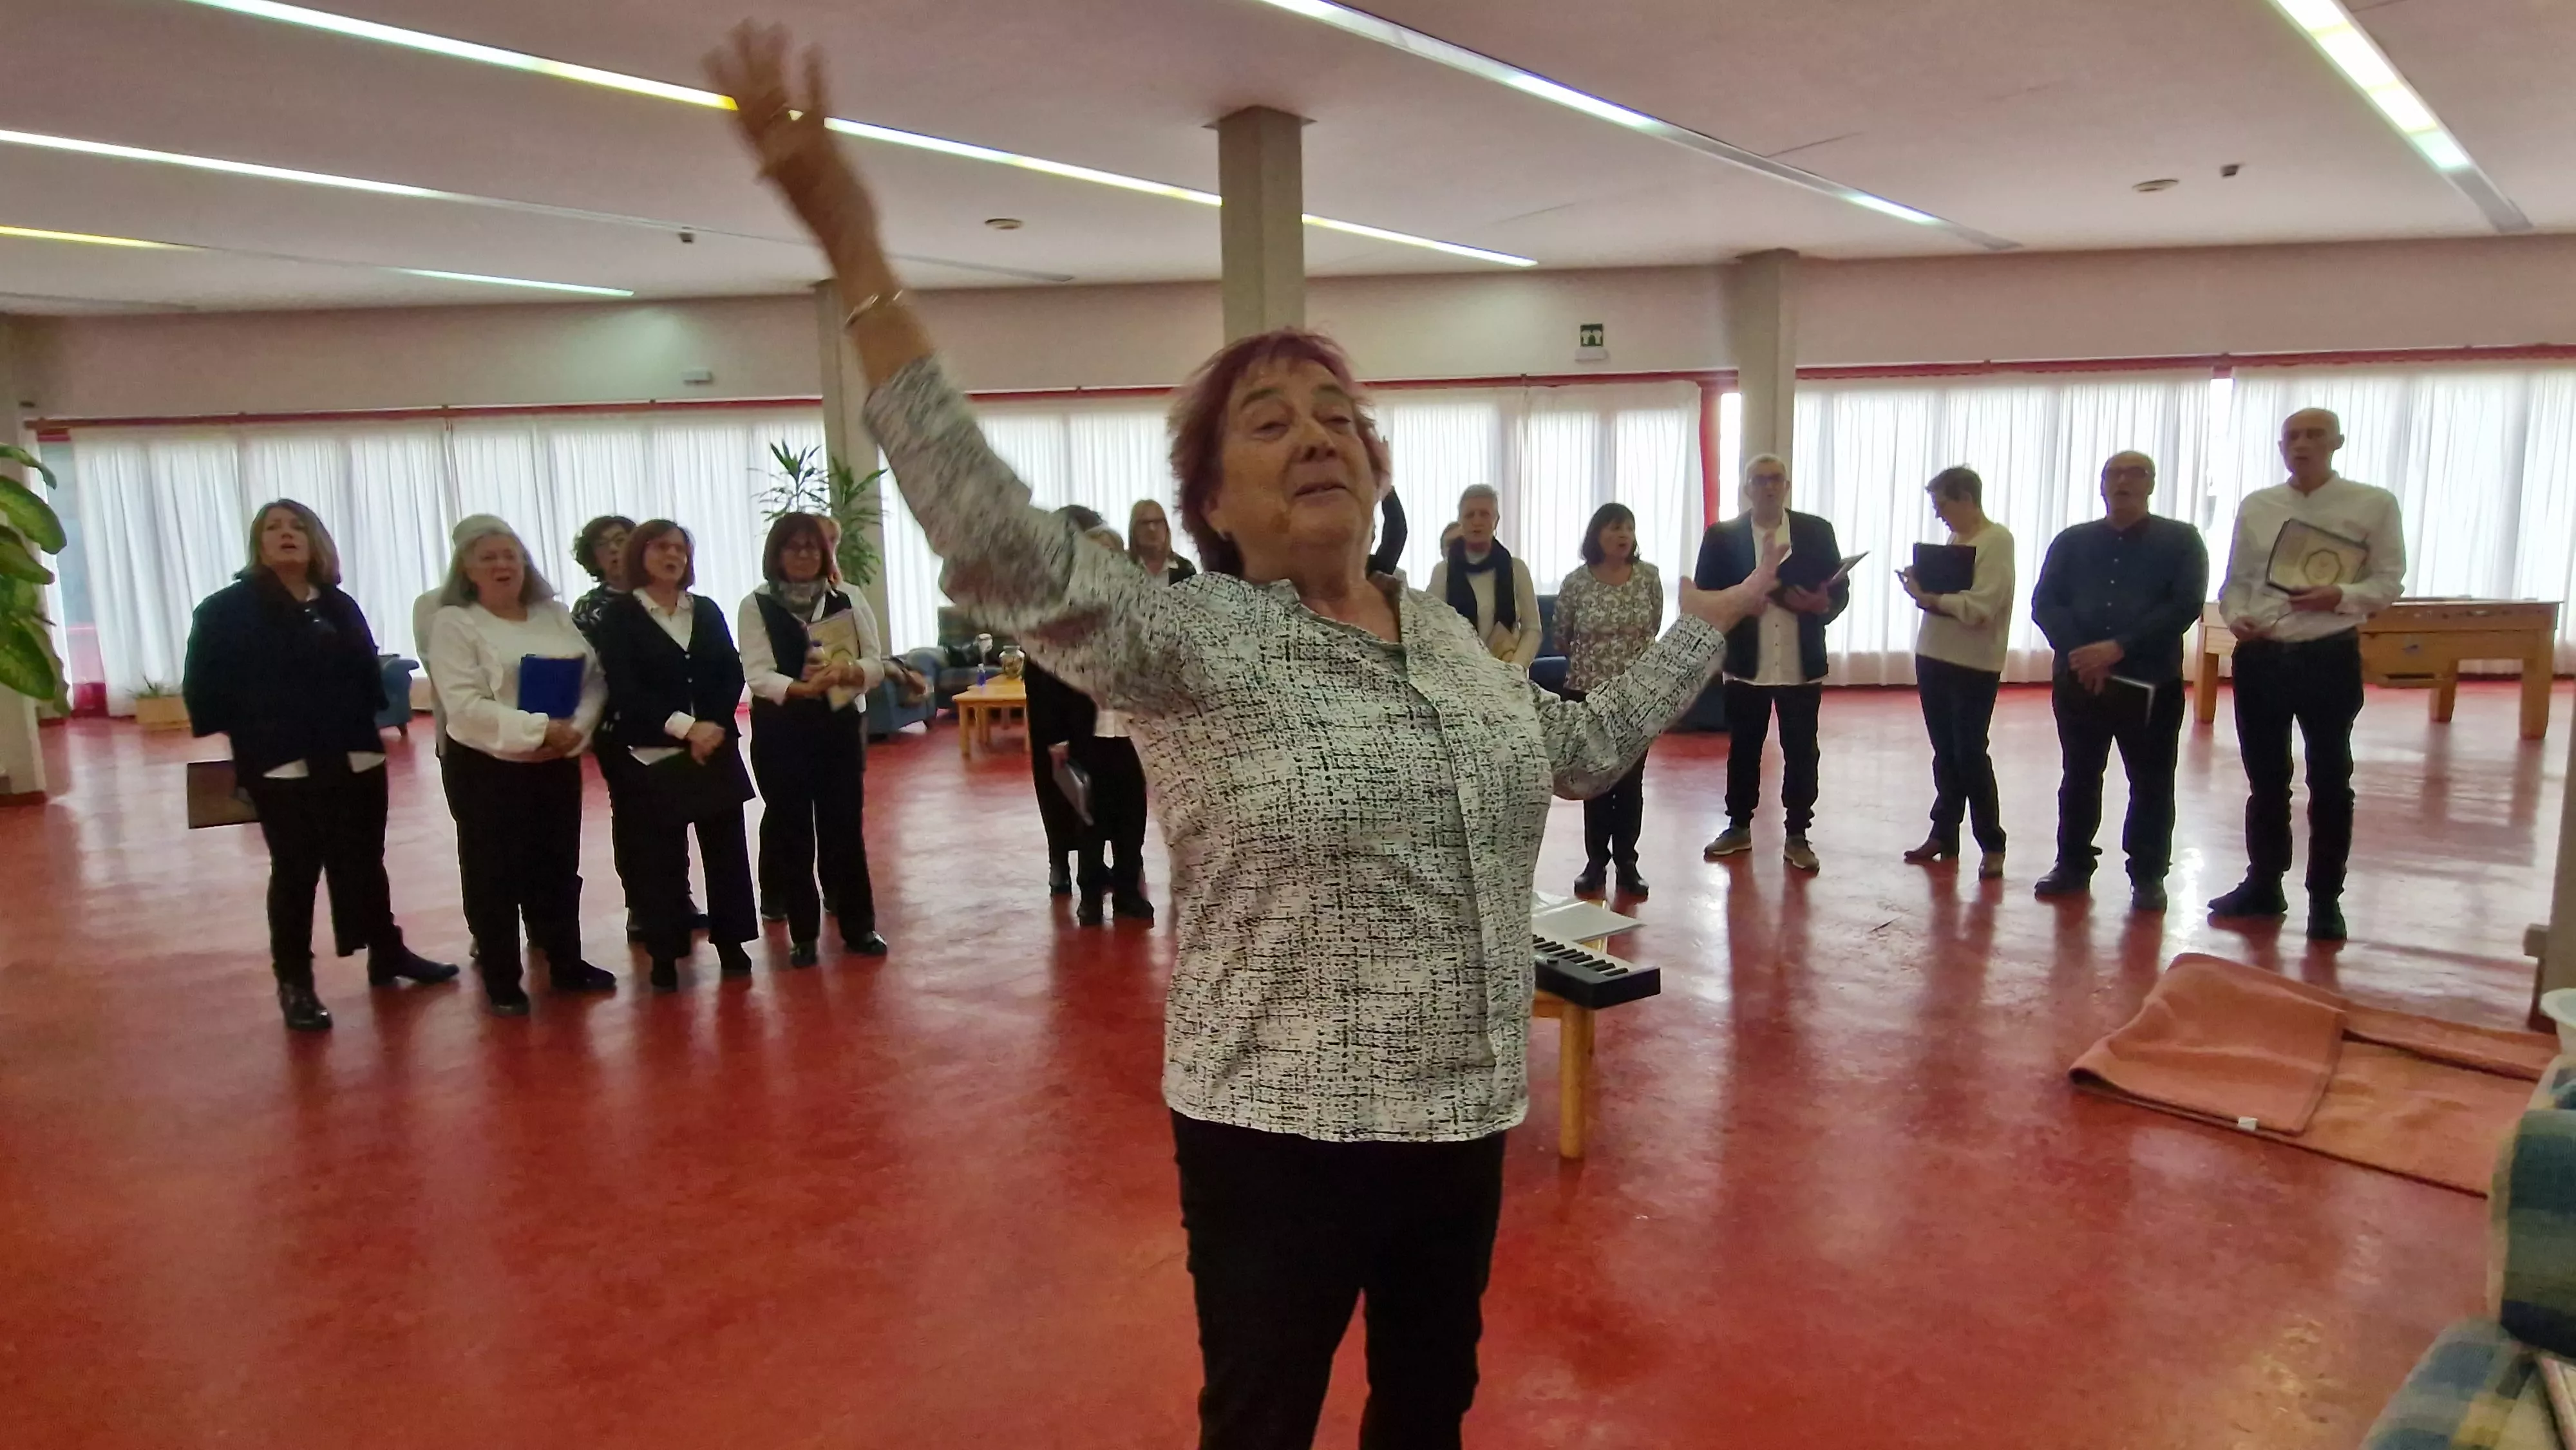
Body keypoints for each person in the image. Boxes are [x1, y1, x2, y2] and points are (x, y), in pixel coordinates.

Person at [706, 28, 1783, 1444]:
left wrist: (1702, 620)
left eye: (1339, 417)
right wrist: (857, 255)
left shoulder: (1447, 636)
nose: (1318, 436)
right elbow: (988, 530)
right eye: (1269, 423)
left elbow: (1576, 752)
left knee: (1429, 1404)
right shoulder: (1187, 635)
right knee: (1262, 1418)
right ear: (1214, 496)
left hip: (1462, 1113)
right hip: (1276, 1130)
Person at [183, 500, 457, 1032]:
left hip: (353, 751)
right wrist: (260, 728)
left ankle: (387, 951)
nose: (286, 535)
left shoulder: (337, 603)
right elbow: (206, 689)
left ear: (315, 541)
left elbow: (367, 673)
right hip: (281, 759)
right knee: (296, 871)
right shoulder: (225, 609)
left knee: (365, 858)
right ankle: (295, 983)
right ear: (258, 544)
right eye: (273, 528)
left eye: (296, 528)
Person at [2210, 408, 2407, 941]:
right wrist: (2236, 617)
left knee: (2330, 779)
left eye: (2314, 435)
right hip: (2261, 657)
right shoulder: (2259, 505)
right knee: (2266, 780)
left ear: (2337, 442)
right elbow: (2236, 582)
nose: (2302, 445)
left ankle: (2325, 898)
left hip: (2327, 654)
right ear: (2281, 446)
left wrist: (2340, 595)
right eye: (2292, 437)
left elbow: (2390, 580)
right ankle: (2264, 885)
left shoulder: (2372, 504)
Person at [423, 518, 616, 1015]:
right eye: (488, 557)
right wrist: (538, 730)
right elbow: (463, 705)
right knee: (494, 876)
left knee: (556, 868)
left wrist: (575, 730)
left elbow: (593, 680)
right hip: (489, 766)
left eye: (511, 556)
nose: (503, 565)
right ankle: (502, 978)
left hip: (556, 760)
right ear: (466, 568)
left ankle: (566, 963)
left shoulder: (551, 613)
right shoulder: (454, 621)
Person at [2029, 452, 2209, 912]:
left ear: (2151, 484)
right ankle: (2072, 864)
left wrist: (2118, 648)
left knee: (2150, 781)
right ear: (2101, 484)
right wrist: (2082, 653)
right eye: (2114, 474)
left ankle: (2148, 874)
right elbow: (2046, 602)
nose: (2124, 482)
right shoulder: (2072, 541)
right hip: (2079, 680)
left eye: (2136, 474)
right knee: (2079, 775)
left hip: (2149, 682)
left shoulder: (2182, 540)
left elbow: (2184, 605)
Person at [592, 519, 761, 989]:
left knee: (727, 852)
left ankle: (733, 942)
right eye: (662, 548)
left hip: (713, 748)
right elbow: (625, 687)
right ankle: (665, 954)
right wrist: (686, 728)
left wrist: (711, 726)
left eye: (681, 551)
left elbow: (730, 671)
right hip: (653, 751)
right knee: (660, 859)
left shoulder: (704, 610)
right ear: (640, 554)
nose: (673, 557)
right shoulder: (621, 615)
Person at [737, 511, 890, 966]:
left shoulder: (848, 596)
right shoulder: (756, 603)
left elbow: (876, 662)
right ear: (777, 554)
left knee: (844, 829)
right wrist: (800, 688)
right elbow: (758, 673)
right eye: (793, 547)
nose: (803, 555)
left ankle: (859, 927)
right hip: (783, 731)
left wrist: (852, 672)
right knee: (792, 832)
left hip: (839, 729)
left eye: (812, 547)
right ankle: (803, 935)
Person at [1692, 453, 1849, 873]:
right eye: (1759, 479)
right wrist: (1743, 605)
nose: (1768, 486)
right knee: (1744, 748)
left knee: (1802, 750)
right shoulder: (1723, 537)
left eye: (1776, 479)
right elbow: (1708, 595)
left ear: (1786, 485)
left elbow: (1840, 589)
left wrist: (1823, 603)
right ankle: (1738, 825)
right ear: (1746, 488)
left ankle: (1798, 833)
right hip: (1747, 661)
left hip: (1801, 660)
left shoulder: (1816, 531)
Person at [1898, 466, 2016, 880]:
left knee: (1970, 753)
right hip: (1934, 655)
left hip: (1973, 663)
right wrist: (1926, 590)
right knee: (1945, 753)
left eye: (1943, 505)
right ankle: (1944, 833)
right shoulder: (1957, 540)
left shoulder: (1996, 540)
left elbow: (1981, 607)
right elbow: (1954, 598)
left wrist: (1928, 597)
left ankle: (1992, 841)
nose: (1940, 516)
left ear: (1967, 499)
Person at [1553, 503, 1663, 899]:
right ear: (1597, 534)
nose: (1623, 535)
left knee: (1631, 782)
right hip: (1588, 694)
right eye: (1615, 528)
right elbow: (1561, 636)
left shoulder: (1648, 577)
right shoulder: (1576, 582)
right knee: (1597, 782)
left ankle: (1628, 864)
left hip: (1637, 695)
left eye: (1629, 528)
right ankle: (1595, 862)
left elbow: (1653, 626)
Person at [1023, 505, 1107, 898]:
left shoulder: (1103, 584)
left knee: (1099, 783)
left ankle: (1097, 860)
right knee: (1058, 782)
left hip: (1093, 703)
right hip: (1052, 701)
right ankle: (1059, 861)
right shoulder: (1039, 588)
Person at [1426, 485, 1539, 670]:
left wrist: (1517, 667)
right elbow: (1431, 628)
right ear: (1461, 521)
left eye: (1484, 514)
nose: (1477, 521)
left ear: (1496, 520)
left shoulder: (1516, 568)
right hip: (1459, 676)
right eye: (1470, 515)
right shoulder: (1442, 572)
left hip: (1509, 675)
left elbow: (1532, 629)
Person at [569, 514, 635, 635]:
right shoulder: (587, 606)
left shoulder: (658, 594)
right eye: (601, 544)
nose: (613, 548)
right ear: (594, 558)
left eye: (620, 540)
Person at [1128, 499, 1198, 585]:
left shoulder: (1185, 569)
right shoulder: (1121, 567)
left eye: (1157, 522)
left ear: (1166, 528)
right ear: (1134, 530)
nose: (1152, 529)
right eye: (1145, 523)